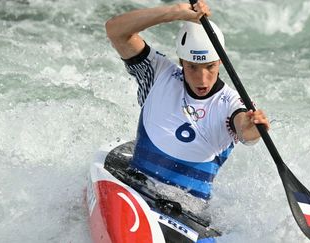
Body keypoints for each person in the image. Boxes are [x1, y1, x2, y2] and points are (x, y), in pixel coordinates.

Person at [105, 0, 270, 200]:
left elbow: (245, 131)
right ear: (181, 60)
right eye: (192, 67)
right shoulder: (158, 74)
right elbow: (115, 30)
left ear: (220, 61)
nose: (202, 79)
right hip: (135, 192)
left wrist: (253, 129)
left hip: (189, 214)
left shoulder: (233, 103)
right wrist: (174, 12)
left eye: (210, 66)